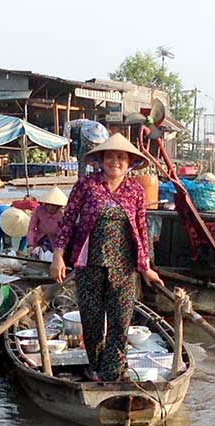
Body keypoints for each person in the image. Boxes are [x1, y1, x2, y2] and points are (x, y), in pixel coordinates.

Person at [50, 133, 164, 382]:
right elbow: (68, 221)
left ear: (129, 162)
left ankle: (112, 374)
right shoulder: (86, 185)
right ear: (100, 160)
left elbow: (142, 229)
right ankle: (97, 367)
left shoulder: (135, 190)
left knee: (120, 321)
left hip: (123, 267)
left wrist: (145, 267)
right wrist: (58, 255)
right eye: (110, 156)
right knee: (91, 322)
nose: (116, 161)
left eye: (121, 157)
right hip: (89, 264)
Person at [27, 186, 67, 256]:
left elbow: (65, 232)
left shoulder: (62, 214)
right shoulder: (39, 210)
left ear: (59, 205)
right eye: (49, 204)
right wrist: (30, 244)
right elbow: (31, 228)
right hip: (41, 238)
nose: (51, 207)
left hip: (57, 242)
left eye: (54, 205)